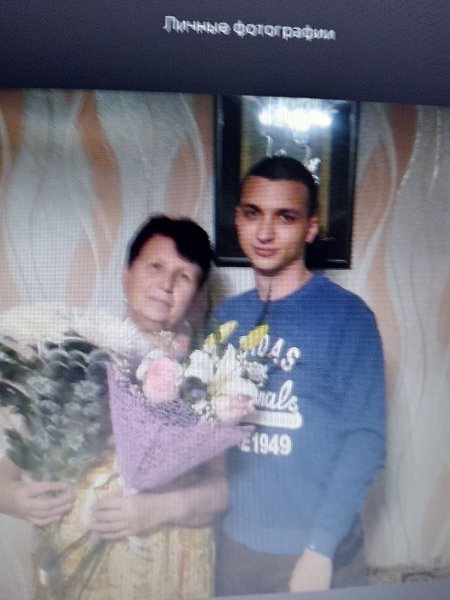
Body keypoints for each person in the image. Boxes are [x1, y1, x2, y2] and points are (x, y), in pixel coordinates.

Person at [0, 215, 225, 600]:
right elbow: (7, 469)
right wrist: (14, 499)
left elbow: (221, 491)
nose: (167, 284)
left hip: (173, 562)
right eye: (155, 267)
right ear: (126, 274)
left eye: (184, 276)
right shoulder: (72, 355)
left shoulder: (207, 371)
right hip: (80, 561)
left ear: (198, 294)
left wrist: (154, 510)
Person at [213, 156, 385, 595]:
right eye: (253, 213)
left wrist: (319, 550)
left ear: (310, 228)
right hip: (237, 546)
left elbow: (365, 441)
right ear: (237, 219)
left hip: (319, 552)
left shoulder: (348, 317)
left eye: (284, 217)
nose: (265, 232)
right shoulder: (226, 318)